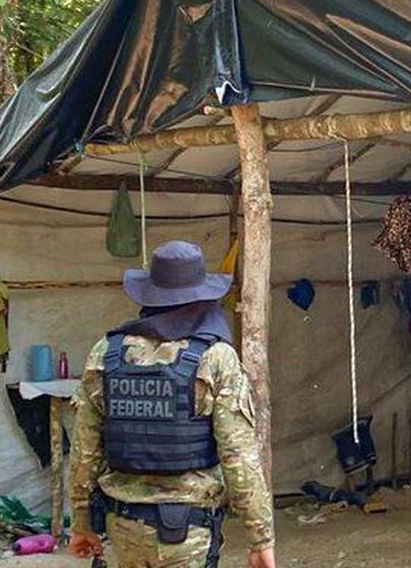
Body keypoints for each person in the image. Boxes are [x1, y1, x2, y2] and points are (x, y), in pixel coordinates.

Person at [68, 241, 276, 568]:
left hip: (122, 527)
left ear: (148, 296)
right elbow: (238, 458)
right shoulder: (215, 358)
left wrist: (81, 523)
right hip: (187, 533)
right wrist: (260, 538)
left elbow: (84, 451)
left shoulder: (106, 354)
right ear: (202, 298)